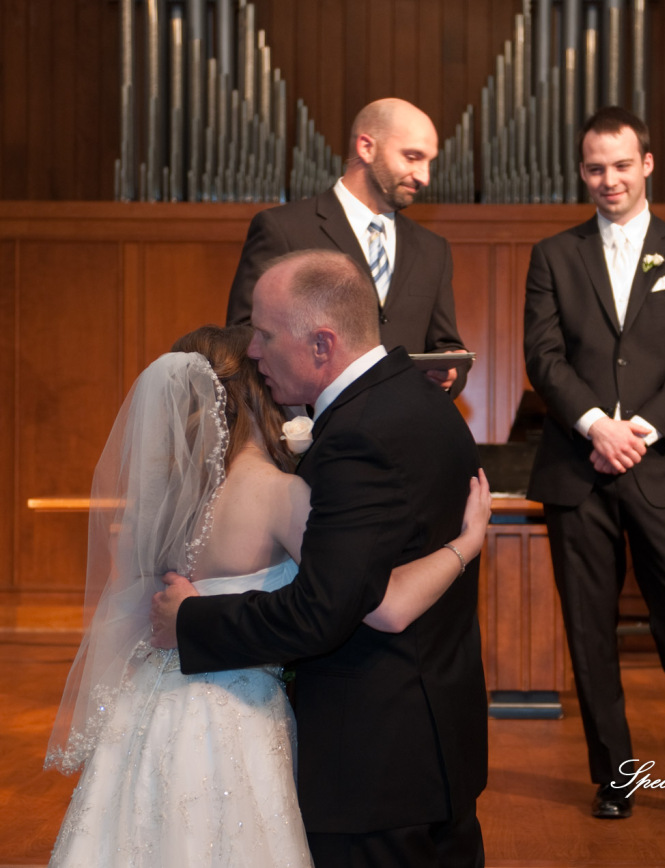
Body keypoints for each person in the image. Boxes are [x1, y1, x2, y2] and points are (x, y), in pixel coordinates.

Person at [45, 325, 490, 867]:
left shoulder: (164, 501)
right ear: (259, 391)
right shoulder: (281, 493)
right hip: (235, 717)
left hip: (152, 708)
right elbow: (383, 604)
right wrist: (466, 544)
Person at [152, 251, 489, 866]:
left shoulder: (356, 435)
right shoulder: (424, 403)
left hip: (374, 765)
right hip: (435, 742)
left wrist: (191, 620)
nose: (254, 351)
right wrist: (462, 548)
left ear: (321, 343)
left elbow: (323, 611)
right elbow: (376, 591)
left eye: (265, 334)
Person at [523, 106, 665, 822]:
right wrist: (594, 426)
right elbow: (544, 357)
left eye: (620, 165)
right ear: (582, 173)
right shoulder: (554, 255)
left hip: (663, 466)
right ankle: (614, 777)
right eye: (594, 168)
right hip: (578, 470)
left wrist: (635, 431)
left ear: (646, 163)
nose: (608, 179)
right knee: (589, 631)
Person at [226, 97, 469, 396]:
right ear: (366, 147)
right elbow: (242, 335)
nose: (424, 177)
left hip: (404, 419)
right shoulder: (283, 228)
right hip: (310, 420)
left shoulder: (433, 249)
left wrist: (451, 372)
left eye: (429, 162)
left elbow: (446, 344)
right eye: (412, 157)